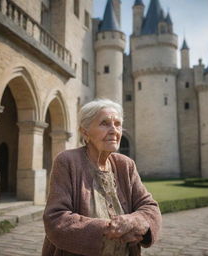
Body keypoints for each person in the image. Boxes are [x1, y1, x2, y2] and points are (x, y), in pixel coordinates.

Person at [42, 99, 162, 256]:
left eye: (117, 124)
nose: (114, 130)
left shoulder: (125, 165)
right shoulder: (67, 161)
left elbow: (150, 207)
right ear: (85, 132)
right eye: (104, 123)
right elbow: (56, 219)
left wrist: (136, 221)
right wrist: (112, 228)